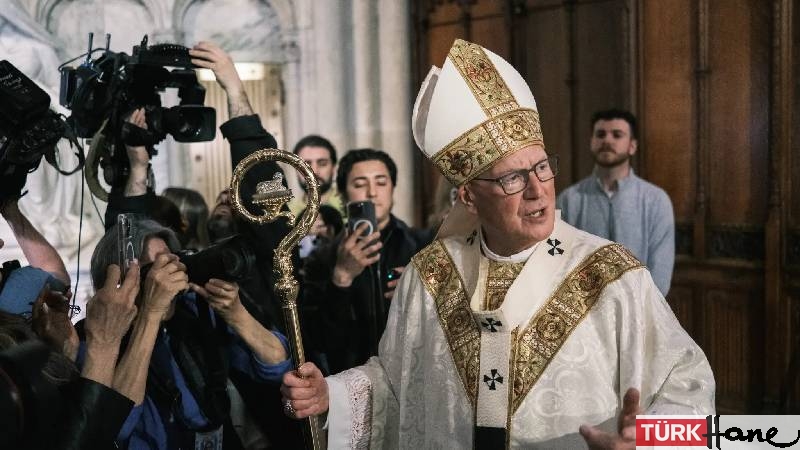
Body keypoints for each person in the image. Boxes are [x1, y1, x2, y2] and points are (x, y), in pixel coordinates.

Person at [281, 39, 715, 449]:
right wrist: (332, 394)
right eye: (512, 178)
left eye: (542, 167)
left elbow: (689, 387)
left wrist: (650, 439)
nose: (538, 190)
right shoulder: (430, 275)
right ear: (469, 197)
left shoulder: (612, 276)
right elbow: (396, 383)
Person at [88, 218, 292, 449]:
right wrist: (150, 314)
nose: (170, 275)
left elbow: (277, 366)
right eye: (156, 269)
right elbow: (117, 426)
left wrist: (236, 315)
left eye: (172, 261)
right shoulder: (101, 339)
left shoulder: (194, 312)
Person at [301, 148, 433, 374]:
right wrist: (341, 278)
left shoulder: (423, 246)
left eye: (381, 183)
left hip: (413, 372)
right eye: (360, 184)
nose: (372, 192)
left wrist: (425, 291)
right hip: (352, 377)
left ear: (392, 188)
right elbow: (318, 341)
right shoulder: (321, 258)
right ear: (344, 194)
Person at [557, 109, 675, 296]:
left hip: (640, 307)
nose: (607, 140)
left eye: (617, 135)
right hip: (585, 307)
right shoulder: (569, 200)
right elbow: (557, 259)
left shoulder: (656, 201)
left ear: (632, 146)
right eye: (600, 134)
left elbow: (661, 273)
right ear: (591, 142)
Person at [287, 135, 345, 217]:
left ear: (334, 168)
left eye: (322, 164)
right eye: (306, 165)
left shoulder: (351, 204)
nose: (314, 171)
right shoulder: (287, 214)